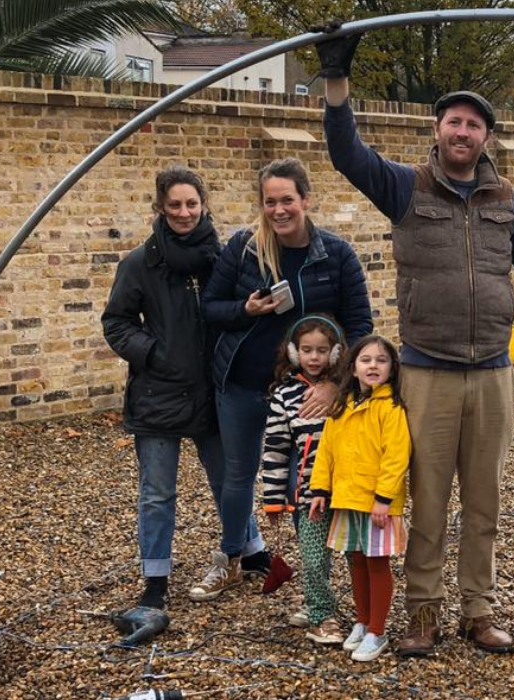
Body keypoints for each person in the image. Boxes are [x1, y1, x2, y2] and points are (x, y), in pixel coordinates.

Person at [313, 24, 514, 656]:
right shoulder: (405, 186)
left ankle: (478, 612)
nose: (462, 132)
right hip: (428, 371)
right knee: (426, 499)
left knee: (483, 502)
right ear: (437, 130)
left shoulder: (502, 198)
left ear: (487, 137)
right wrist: (336, 85)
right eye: (453, 122)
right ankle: (424, 615)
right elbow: (347, 154)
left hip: (491, 373)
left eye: (474, 125)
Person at [197, 157, 373, 602]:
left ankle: (314, 582)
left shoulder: (335, 254)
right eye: (270, 201)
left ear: (305, 200)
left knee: (305, 483)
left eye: (287, 200)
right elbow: (211, 306)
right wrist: (245, 310)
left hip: (304, 392)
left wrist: (335, 384)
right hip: (240, 382)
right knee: (238, 475)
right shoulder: (243, 247)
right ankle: (230, 559)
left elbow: (359, 325)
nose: (279, 210)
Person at [99, 166, 223, 643]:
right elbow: (117, 322)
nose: (185, 213)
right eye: (175, 205)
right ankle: (155, 581)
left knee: (228, 479)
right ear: (160, 208)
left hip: (213, 389)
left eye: (192, 203)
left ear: (204, 204)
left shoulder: (223, 257)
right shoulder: (139, 263)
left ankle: (246, 552)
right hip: (158, 391)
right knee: (157, 493)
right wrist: (153, 353)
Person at [305, 335, 411, 663]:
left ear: (392, 369)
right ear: (353, 368)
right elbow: (327, 452)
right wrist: (320, 490)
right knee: (357, 561)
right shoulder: (342, 407)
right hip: (347, 499)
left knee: (377, 563)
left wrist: (384, 498)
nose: (373, 366)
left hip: (377, 503)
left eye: (381, 360)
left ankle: (378, 630)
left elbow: (397, 456)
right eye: (366, 360)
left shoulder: (391, 408)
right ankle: (362, 621)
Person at [258, 314, 348, 644]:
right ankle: (322, 615)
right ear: (294, 352)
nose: (314, 357)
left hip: (352, 490)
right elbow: (276, 448)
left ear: (336, 353)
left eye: (322, 350)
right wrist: (273, 497)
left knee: (358, 557)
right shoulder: (284, 395)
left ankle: (363, 617)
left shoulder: (350, 390)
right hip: (310, 493)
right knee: (313, 557)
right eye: (307, 350)